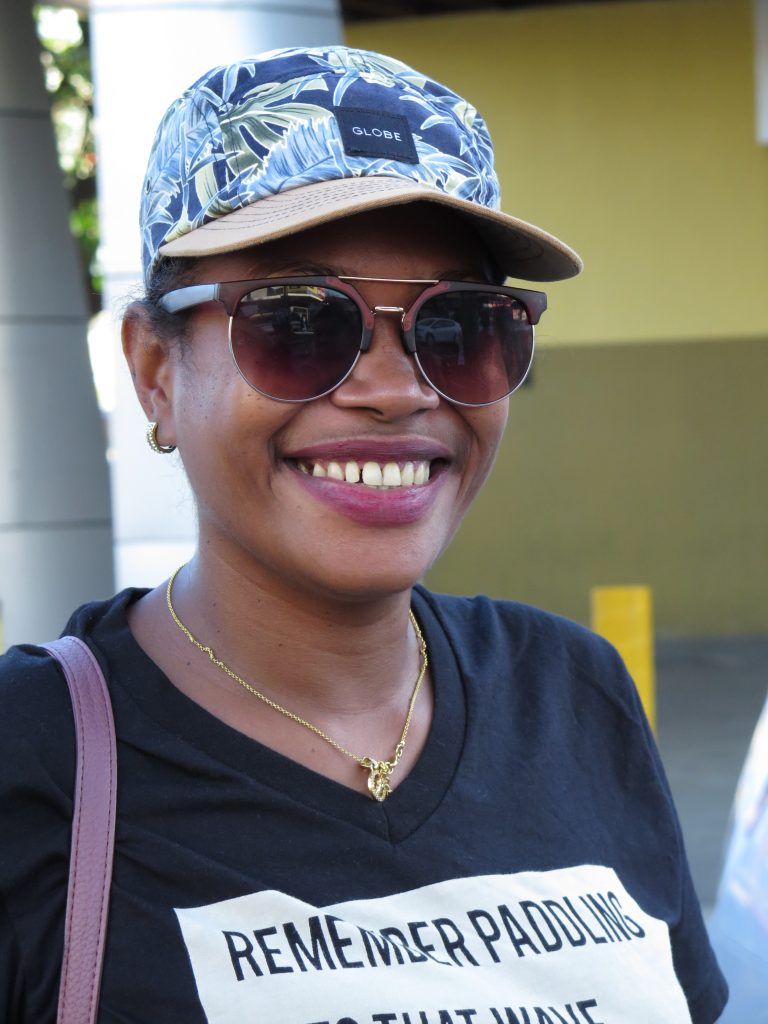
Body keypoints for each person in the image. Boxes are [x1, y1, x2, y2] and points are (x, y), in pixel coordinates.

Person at [0, 46, 727, 1024]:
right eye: (299, 320)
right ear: (154, 371)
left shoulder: (574, 693)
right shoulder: (32, 758)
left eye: (461, 325)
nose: (396, 390)